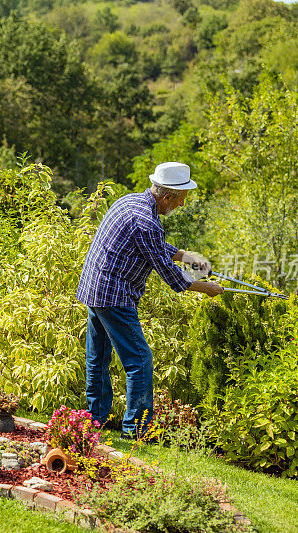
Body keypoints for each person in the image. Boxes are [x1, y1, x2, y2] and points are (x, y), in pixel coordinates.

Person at [76, 162, 223, 439]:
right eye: (180, 200)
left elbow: (152, 245)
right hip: (113, 296)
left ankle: (93, 422)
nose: (181, 205)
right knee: (140, 360)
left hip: (95, 289)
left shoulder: (131, 203)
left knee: (98, 358)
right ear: (167, 197)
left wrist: (185, 256)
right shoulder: (146, 221)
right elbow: (168, 273)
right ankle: (136, 431)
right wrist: (206, 288)